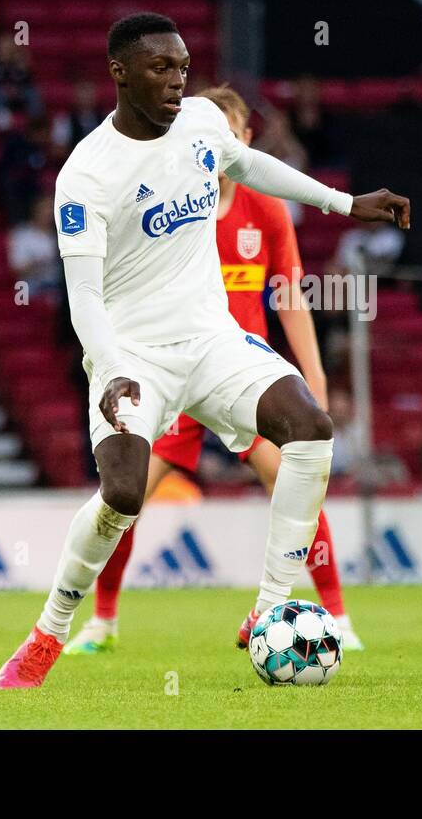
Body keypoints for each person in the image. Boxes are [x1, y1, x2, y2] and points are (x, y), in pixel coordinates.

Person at [0, 12, 409, 689]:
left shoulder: (202, 124)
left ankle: (272, 609)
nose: (176, 80)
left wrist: (344, 203)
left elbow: (250, 163)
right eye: (160, 67)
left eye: (183, 67)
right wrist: (113, 369)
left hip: (214, 341)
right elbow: (85, 299)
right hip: (133, 358)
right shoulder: (87, 175)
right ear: (120, 73)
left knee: (311, 429)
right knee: (123, 495)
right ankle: (49, 632)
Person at [64, 84, 363, 656]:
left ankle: (336, 613)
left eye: (232, 132)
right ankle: (101, 622)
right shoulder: (166, 203)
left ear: (245, 140)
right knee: (123, 498)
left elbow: (291, 296)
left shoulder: (267, 210)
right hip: (168, 370)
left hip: (233, 376)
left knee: (291, 475)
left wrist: (314, 375)